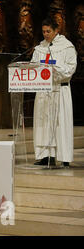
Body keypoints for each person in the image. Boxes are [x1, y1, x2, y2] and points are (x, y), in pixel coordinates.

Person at [31, 18, 77, 168]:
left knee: (60, 124)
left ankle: (64, 157)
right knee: (43, 124)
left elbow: (70, 68)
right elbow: (32, 67)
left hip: (60, 89)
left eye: (48, 31)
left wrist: (55, 69)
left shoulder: (67, 47)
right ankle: (45, 155)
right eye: (43, 31)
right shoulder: (40, 49)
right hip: (44, 91)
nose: (45, 34)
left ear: (56, 30)